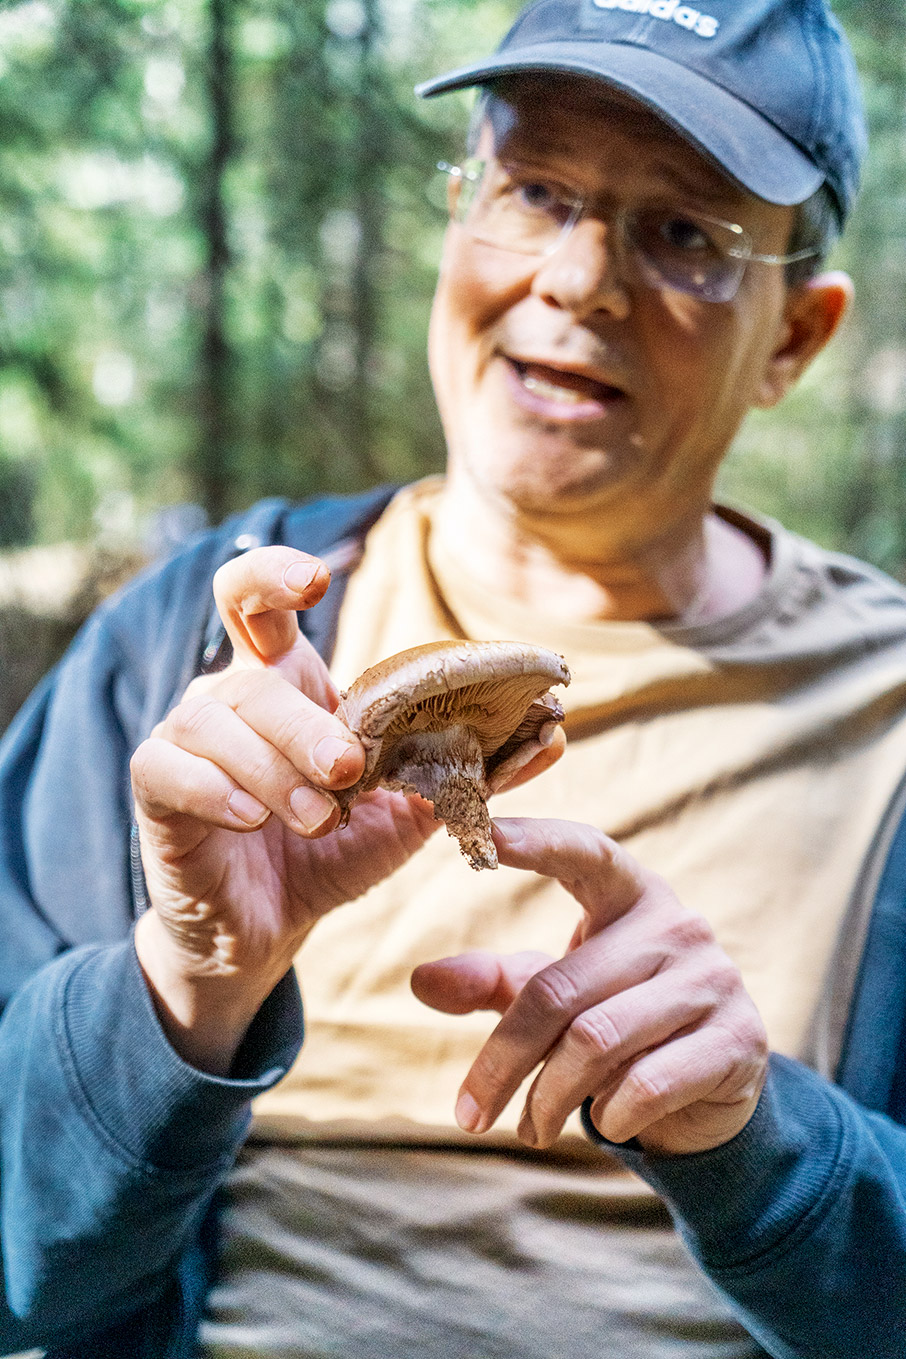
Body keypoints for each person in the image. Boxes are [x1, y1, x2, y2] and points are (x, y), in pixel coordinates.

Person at [2, 0, 906, 1355]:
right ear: (457, 217)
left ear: (792, 337)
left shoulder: (884, 708)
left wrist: (762, 1141)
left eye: (682, 235)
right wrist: (182, 987)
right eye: (534, 190)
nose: (579, 278)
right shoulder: (202, 651)